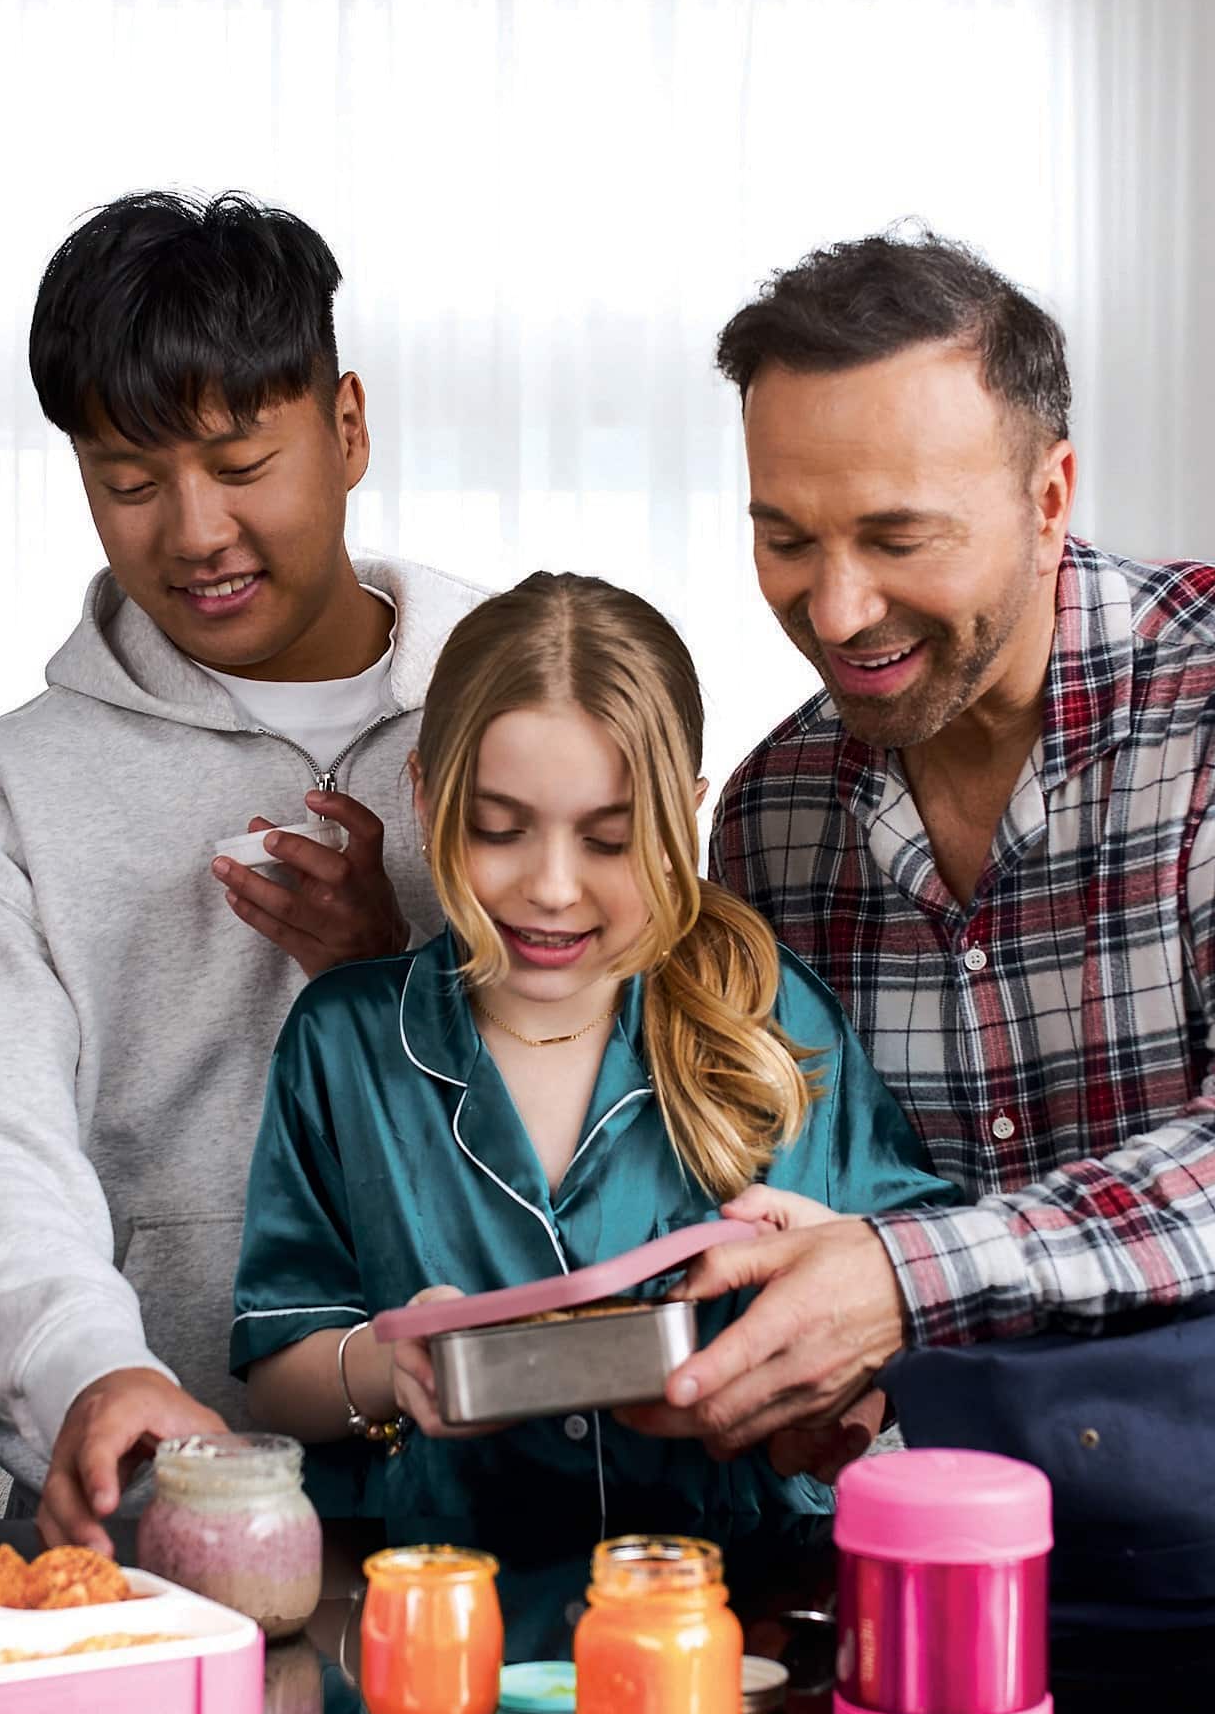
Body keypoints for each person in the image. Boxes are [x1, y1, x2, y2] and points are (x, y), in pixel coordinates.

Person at [644, 230, 1215, 1495]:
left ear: (1047, 499)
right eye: (785, 539)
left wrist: (902, 1278)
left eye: (898, 538)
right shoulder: (774, 811)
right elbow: (813, 1192)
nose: (834, 612)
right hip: (977, 1554)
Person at [0, 191, 484, 1549]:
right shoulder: (5, 794)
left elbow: (643, 1056)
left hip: (516, 1487)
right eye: (130, 482)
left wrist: (392, 974)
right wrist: (90, 1365)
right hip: (156, 1509)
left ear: (347, 427)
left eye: (239, 461)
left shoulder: (519, 708)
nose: (192, 530)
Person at [230, 572, 955, 1641]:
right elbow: (276, 1360)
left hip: (742, 1619)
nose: (552, 888)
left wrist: (857, 1367)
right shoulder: (343, 1040)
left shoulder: (768, 1014)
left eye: (609, 839)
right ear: (426, 797)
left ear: (684, 816)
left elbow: (922, 1277)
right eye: (499, 829)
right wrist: (395, 1365)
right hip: (439, 1622)